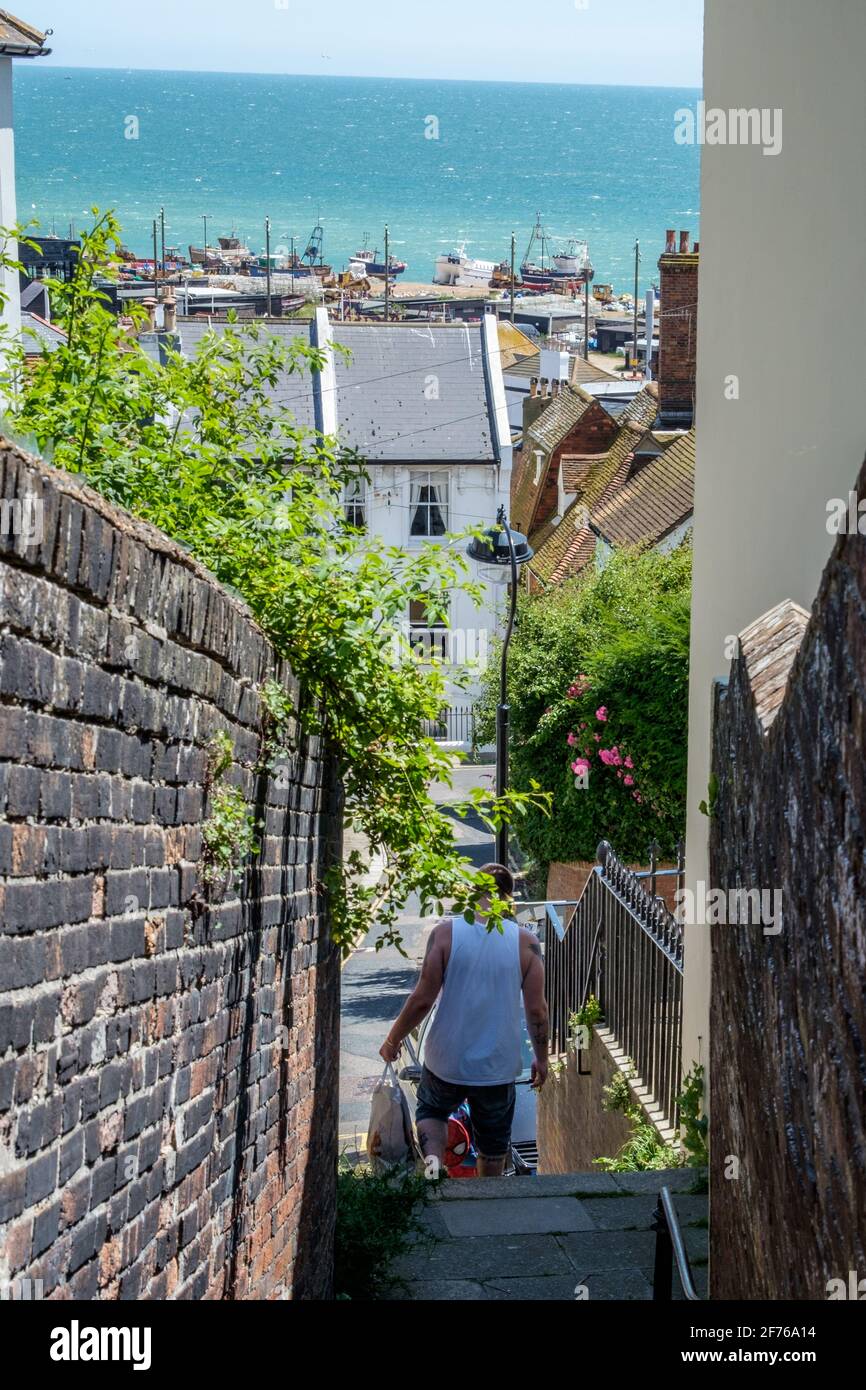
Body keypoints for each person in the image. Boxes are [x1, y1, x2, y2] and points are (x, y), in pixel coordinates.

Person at [379, 862, 549, 1177]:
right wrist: (541, 1058)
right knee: (493, 1146)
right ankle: (485, 1203)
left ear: (473, 892)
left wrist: (393, 1040)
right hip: (497, 1068)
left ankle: (433, 1174)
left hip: (446, 1060)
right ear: (508, 898)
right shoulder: (526, 943)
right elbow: (537, 1010)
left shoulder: (445, 934)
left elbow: (421, 1000)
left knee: (432, 1112)